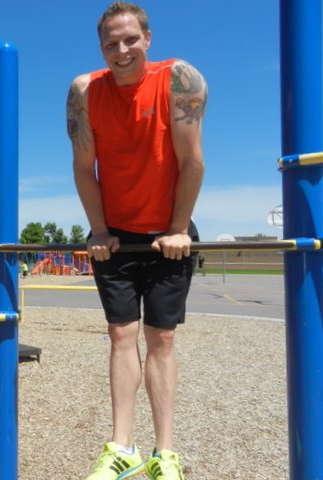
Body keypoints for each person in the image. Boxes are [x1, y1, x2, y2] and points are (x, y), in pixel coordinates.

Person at [67, 2, 207, 480]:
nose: (121, 50)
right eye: (111, 43)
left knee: (162, 338)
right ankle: (122, 446)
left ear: (148, 38)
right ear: (101, 47)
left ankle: (163, 454)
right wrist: (100, 230)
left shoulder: (180, 80)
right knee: (120, 335)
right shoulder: (85, 92)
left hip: (170, 228)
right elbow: (84, 169)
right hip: (116, 233)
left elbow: (192, 161)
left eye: (130, 40)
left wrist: (178, 228)